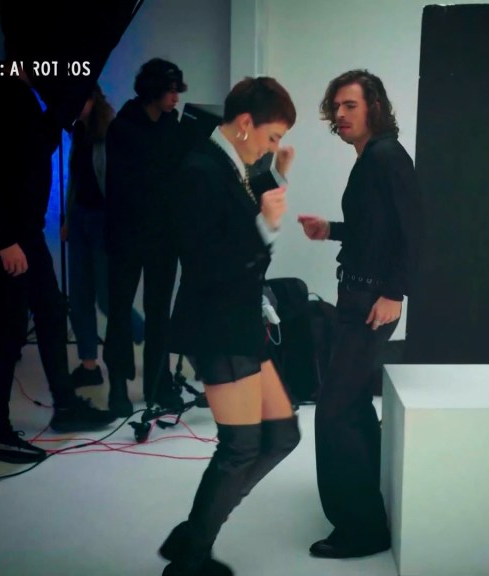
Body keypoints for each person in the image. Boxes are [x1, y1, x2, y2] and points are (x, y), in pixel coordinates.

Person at [158, 77, 299, 576]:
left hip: (239, 321)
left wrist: (274, 176)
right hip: (216, 324)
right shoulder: (200, 169)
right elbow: (206, 261)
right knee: (240, 448)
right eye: (271, 136)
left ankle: (192, 535)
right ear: (244, 124)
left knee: (282, 435)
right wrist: (264, 227)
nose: (272, 146)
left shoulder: (229, 162)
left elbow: (242, 207)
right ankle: (189, 560)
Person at [0, 35, 117, 464]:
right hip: (8, 236)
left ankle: (65, 406)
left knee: (51, 311)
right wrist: (3, 240)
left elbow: (31, 147)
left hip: (25, 231)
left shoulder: (22, 98)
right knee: (6, 331)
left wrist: (62, 113)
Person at [297, 69, 423, 558]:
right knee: (350, 408)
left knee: (333, 412)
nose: (340, 114)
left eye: (350, 105)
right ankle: (368, 511)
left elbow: (414, 232)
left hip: (372, 302)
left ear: (375, 106)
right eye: (336, 107)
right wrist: (330, 230)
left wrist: (395, 293)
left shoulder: (387, 156)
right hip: (358, 298)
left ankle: (362, 529)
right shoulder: (372, 157)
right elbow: (376, 231)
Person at [103, 58, 186, 416]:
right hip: (127, 234)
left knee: (158, 313)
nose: (175, 98)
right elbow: (123, 187)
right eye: (171, 91)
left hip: (163, 236)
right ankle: (118, 386)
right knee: (120, 311)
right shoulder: (123, 127)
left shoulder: (171, 126)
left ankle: (158, 383)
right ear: (154, 90)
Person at [62, 84, 114, 388]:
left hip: (102, 220)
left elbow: (113, 183)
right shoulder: (77, 131)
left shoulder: (109, 131)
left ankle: (147, 335)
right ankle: (89, 364)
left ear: (92, 99)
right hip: (80, 217)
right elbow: (75, 179)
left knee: (107, 298)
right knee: (79, 296)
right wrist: (68, 218)